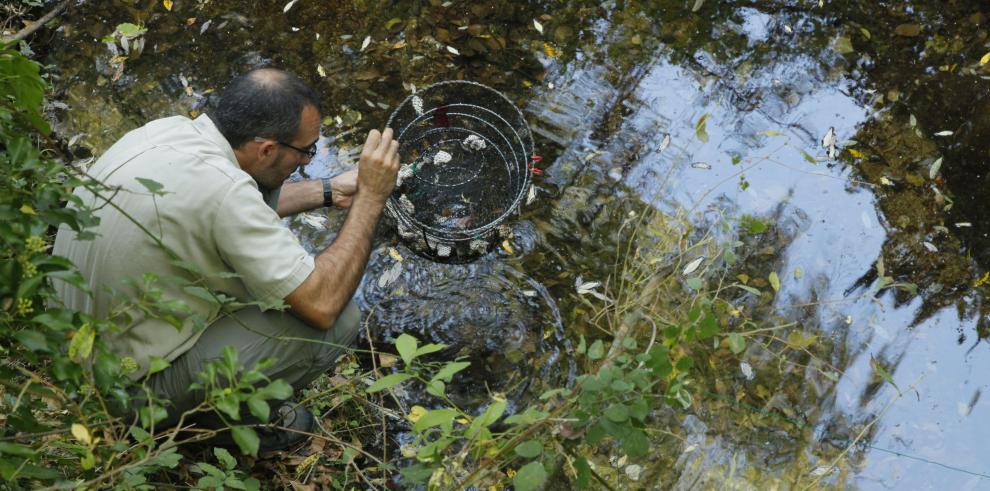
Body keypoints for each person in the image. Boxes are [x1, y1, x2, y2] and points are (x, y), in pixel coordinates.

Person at [52, 68, 400, 451]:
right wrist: (371, 197)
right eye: (306, 151)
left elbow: (224, 205)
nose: (306, 162)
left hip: (68, 353)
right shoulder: (227, 194)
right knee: (337, 324)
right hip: (120, 397)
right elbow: (322, 303)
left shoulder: (169, 131)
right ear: (267, 148)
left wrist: (329, 190)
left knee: (264, 250)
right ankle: (208, 428)